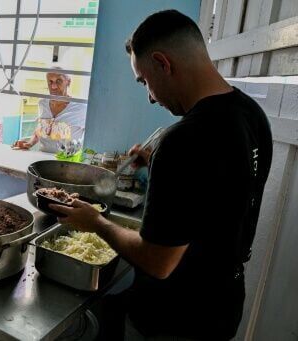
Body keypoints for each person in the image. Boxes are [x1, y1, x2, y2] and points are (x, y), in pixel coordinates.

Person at [50, 10, 273, 341]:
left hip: (173, 318)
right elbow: (219, 193)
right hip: (223, 305)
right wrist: (156, 166)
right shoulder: (252, 115)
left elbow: (158, 261)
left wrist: (95, 222)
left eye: (144, 81)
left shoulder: (184, 140)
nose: (151, 96)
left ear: (162, 63)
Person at [13, 68, 87, 153]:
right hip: (42, 159)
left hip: (67, 162)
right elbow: (40, 129)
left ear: (68, 82)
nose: (53, 86)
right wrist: (29, 143)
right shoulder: (42, 103)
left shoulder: (81, 107)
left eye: (58, 81)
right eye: (50, 82)